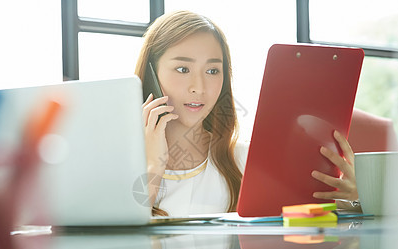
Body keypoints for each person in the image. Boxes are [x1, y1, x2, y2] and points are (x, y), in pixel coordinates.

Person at [135, 10, 358, 216]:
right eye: (183, 69)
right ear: (152, 73)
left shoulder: (244, 161)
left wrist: (354, 201)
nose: (199, 87)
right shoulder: (119, 161)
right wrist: (153, 166)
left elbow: (308, 225)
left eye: (213, 71)